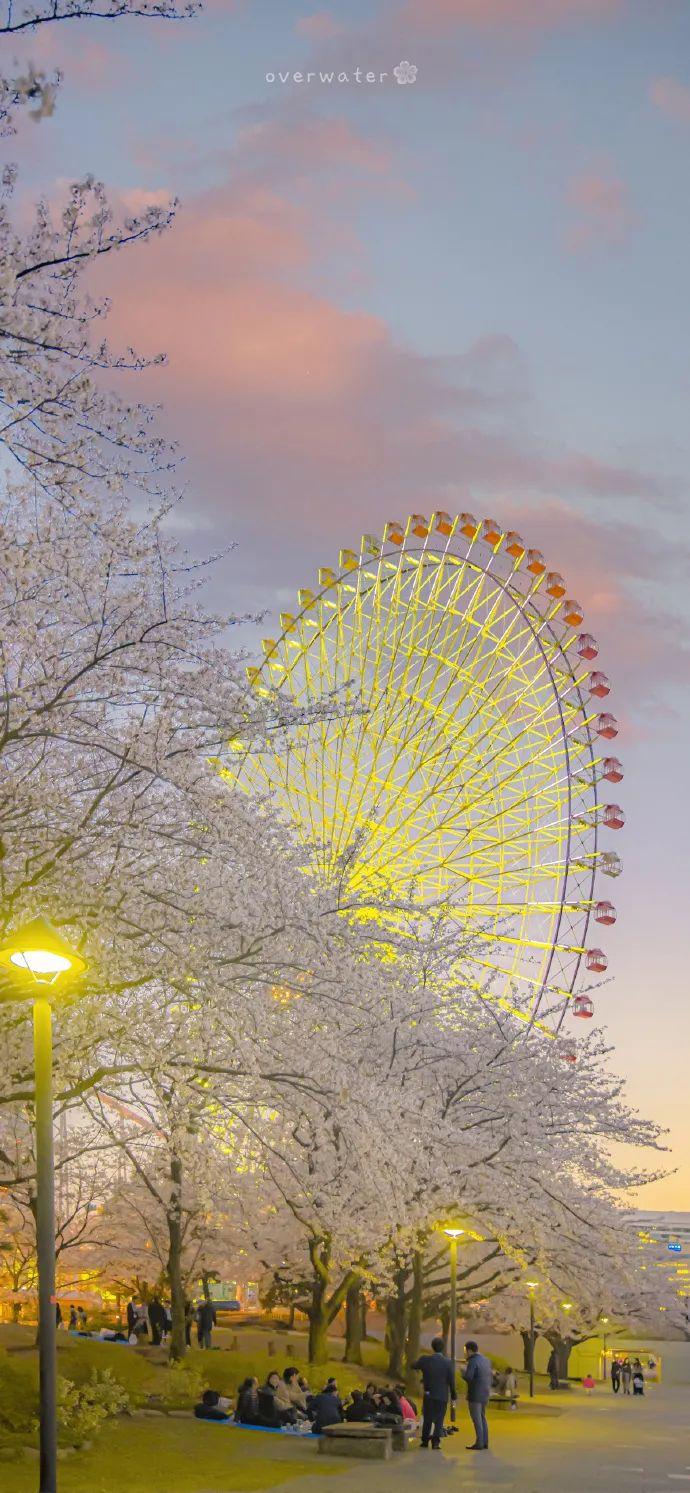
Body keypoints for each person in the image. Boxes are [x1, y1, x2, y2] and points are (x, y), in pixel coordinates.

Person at [412, 1335, 456, 1450]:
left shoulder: (425, 1360)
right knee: (439, 1419)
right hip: (442, 1394)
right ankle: (436, 1441)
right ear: (443, 1348)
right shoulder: (448, 1363)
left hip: (429, 1393)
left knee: (428, 1417)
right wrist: (453, 1393)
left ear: (432, 1347)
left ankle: (425, 1440)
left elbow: (413, 1365)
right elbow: (451, 1380)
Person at [461, 1340, 492, 1452]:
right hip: (485, 1392)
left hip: (475, 1394)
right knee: (482, 1417)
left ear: (469, 1350)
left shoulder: (473, 1361)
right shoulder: (486, 1360)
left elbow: (469, 1377)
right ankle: (485, 1442)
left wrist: (462, 1372)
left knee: (476, 1418)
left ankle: (479, 1443)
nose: (465, 1353)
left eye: (465, 1351)